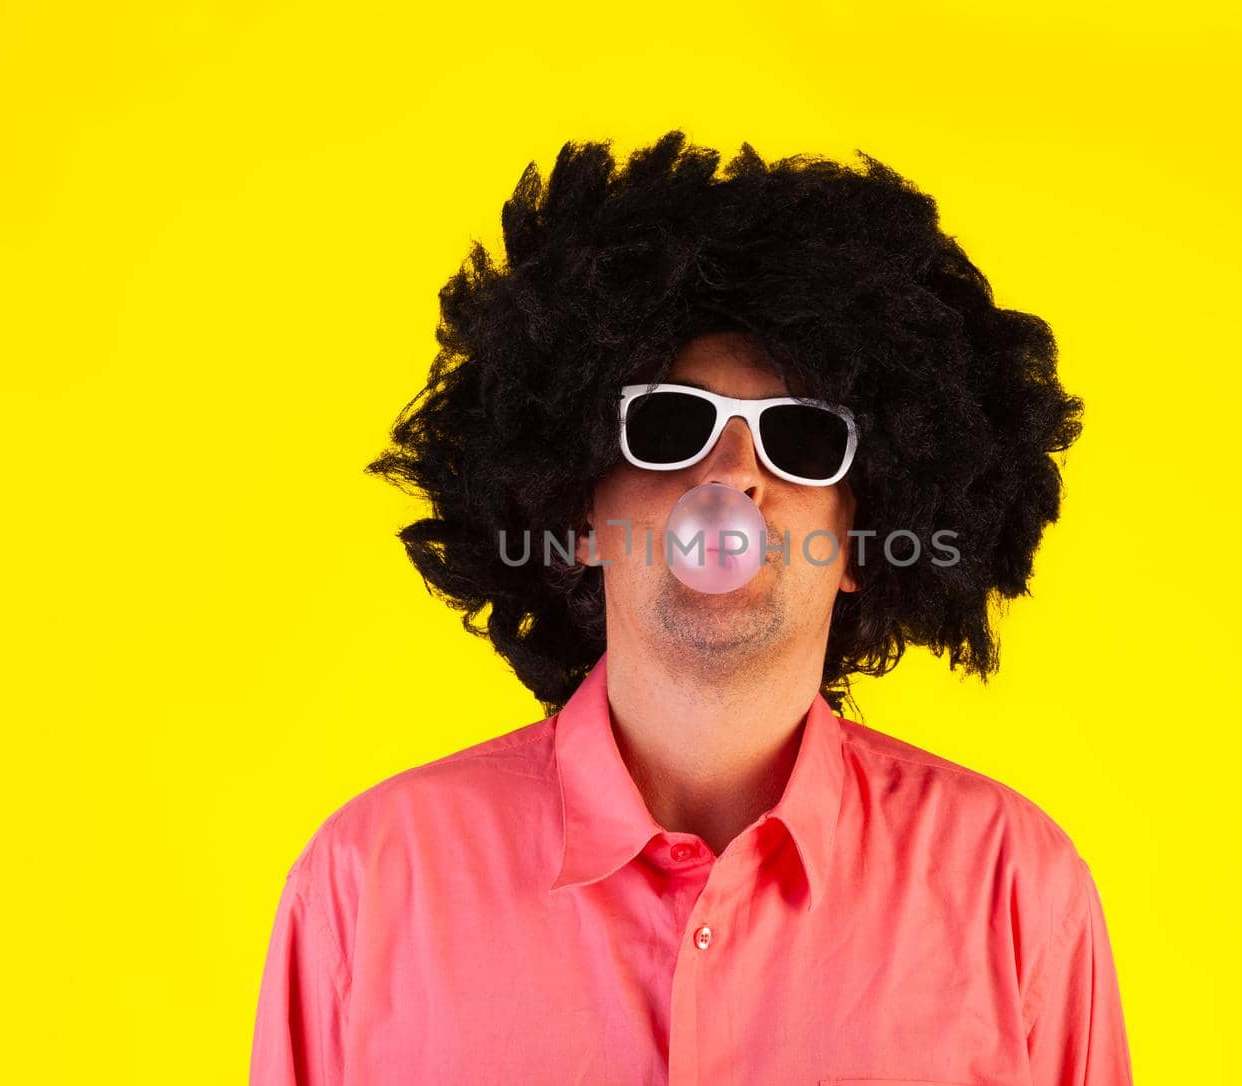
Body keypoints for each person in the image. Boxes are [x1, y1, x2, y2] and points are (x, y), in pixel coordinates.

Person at [250, 130, 1132, 1084]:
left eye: (800, 438)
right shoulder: (372, 883)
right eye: (671, 424)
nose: (733, 476)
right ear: (576, 507)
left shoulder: (1016, 891)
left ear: (859, 544)